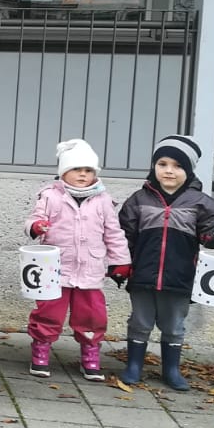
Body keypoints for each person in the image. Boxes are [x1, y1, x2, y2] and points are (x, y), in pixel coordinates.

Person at [117, 134, 214, 391]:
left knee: (174, 324)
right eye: (163, 164)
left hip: (179, 276)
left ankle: (171, 369)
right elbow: (124, 235)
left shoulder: (201, 203)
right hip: (142, 274)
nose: (169, 171)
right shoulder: (138, 200)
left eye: (178, 166)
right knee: (140, 321)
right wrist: (120, 264)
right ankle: (134, 365)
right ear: (154, 166)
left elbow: (207, 236)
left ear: (189, 170)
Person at [25, 138, 132, 381]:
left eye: (88, 170)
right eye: (76, 169)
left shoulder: (103, 200)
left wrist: (120, 262)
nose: (83, 174)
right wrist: (36, 226)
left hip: (90, 270)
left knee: (92, 315)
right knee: (49, 312)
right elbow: (34, 218)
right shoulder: (51, 196)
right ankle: (41, 348)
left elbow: (113, 233)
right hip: (55, 269)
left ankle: (90, 353)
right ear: (64, 172)